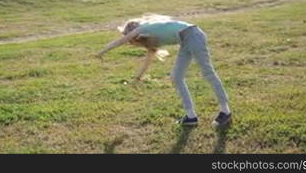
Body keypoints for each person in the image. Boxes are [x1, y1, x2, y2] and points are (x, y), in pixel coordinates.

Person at [97, 14, 232, 127]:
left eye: (129, 38)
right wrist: (138, 77)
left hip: (193, 34)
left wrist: (102, 52)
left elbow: (120, 41)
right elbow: (148, 61)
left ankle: (225, 112)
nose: (130, 42)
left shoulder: (143, 28)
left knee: (207, 72)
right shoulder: (151, 39)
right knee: (176, 77)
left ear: (133, 32)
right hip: (185, 41)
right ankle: (191, 117)